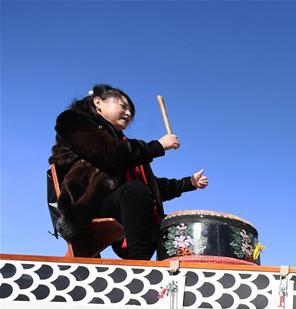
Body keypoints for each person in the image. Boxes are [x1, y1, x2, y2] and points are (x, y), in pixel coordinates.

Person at [49, 84, 208, 260]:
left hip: (120, 202)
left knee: (171, 222)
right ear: (98, 102)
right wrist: (158, 146)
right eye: (123, 106)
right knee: (135, 191)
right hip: (86, 203)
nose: (128, 114)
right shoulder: (73, 121)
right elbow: (109, 153)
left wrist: (189, 182)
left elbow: (152, 187)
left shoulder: (126, 146)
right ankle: (139, 266)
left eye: (130, 112)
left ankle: (172, 271)